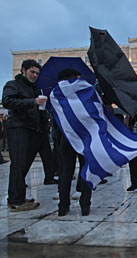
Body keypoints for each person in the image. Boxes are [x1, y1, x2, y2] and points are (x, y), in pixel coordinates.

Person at [2, 59, 48, 211]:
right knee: (18, 164)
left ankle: (18, 197)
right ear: (23, 70)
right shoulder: (13, 85)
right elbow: (8, 101)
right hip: (18, 128)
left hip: (31, 129)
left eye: (37, 73)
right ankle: (16, 200)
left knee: (24, 166)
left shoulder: (33, 89)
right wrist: (32, 102)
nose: (34, 75)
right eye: (32, 72)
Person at [55, 69, 92, 216]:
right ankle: (85, 205)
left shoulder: (56, 95)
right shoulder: (83, 93)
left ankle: (63, 206)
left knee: (66, 172)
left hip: (66, 137)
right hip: (83, 138)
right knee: (85, 171)